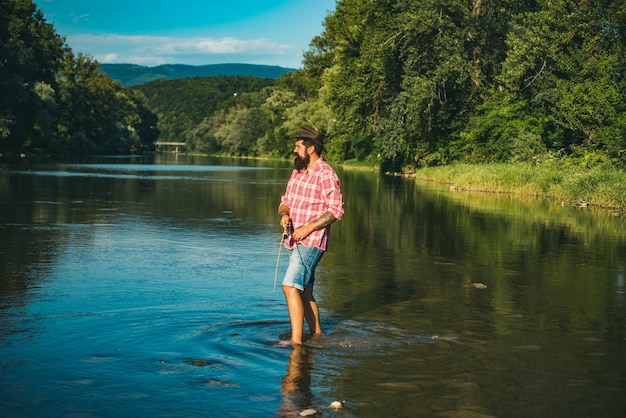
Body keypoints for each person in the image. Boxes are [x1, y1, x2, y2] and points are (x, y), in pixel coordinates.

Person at [278, 127, 344, 346]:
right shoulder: (298, 171)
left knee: (290, 286)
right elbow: (285, 199)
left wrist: (307, 229)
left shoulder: (326, 174)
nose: (294, 149)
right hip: (294, 241)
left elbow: (336, 210)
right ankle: (317, 336)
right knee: (305, 291)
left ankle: (296, 343)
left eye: (298, 146)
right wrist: (285, 214)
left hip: (312, 242)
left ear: (311, 147)